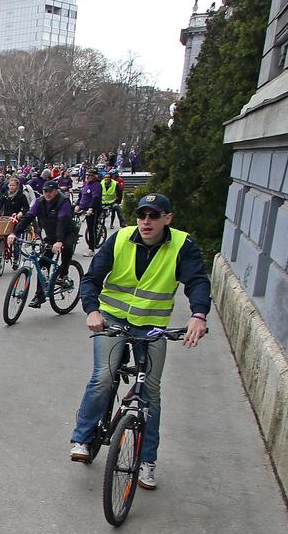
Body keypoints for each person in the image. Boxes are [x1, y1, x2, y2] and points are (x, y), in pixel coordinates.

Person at [68, 193, 210, 489]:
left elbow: (197, 281)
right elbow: (93, 278)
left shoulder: (182, 245)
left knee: (150, 393)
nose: (146, 221)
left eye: (154, 216)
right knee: (103, 377)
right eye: (142, 215)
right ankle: (82, 437)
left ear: (167, 219)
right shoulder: (120, 239)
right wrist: (92, 310)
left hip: (152, 325)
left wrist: (199, 314)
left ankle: (147, 461)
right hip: (113, 319)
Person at [8, 179, 78, 308]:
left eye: (50, 191)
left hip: (67, 233)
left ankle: (63, 275)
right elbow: (28, 216)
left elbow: (62, 222)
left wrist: (59, 241)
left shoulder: (63, 201)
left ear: (56, 191)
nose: (48, 194)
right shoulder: (39, 202)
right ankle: (39, 296)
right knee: (42, 263)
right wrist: (14, 233)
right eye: (45, 191)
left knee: (66, 248)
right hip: (51, 235)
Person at [77, 170, 103, 254]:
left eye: (90, 175)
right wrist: (77, 204)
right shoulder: (86, 183)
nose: (87, 177)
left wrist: (91, 208)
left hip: (92, 210)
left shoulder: (97, 185)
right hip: (82, 207)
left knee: (91, 228)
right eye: (87, 175)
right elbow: (81, 195)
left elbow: (95, 198)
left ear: (95, 176)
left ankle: (91, 249)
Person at [100, 169, 124, 237]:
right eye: (105, 177)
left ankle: (122, 223)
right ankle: (99, 226)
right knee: (99, 213)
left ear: (111, 178)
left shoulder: (115, 183)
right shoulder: (101, 183)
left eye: (108, 177)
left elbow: (119, 193)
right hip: (103, 202)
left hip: (112, 202)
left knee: (119, 209)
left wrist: (117, 201)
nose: (106, 179)